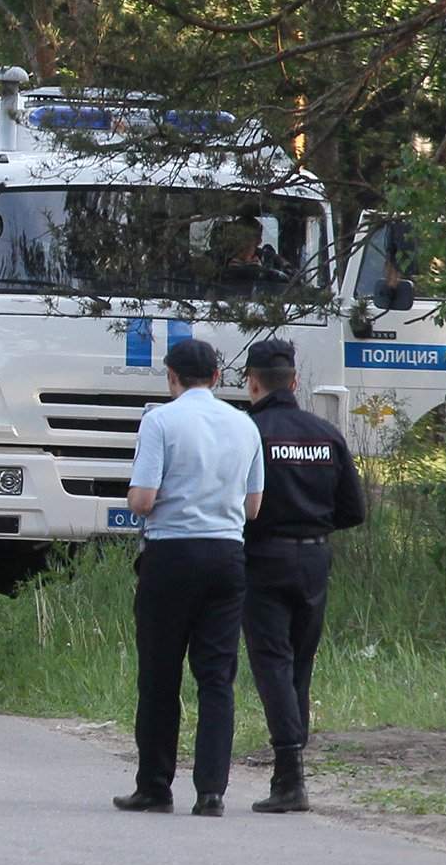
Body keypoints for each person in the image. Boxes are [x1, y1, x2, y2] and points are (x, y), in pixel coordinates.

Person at [113, 338, 263, 817]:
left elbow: (142, 499)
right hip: (226, 556)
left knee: (160, 674)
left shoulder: (160, 420)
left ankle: (155, 785)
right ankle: (212, 791)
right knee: (217, 676)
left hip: (171, 554)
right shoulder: (245, 426)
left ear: (171, 378)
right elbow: (253, 506)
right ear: (218, 378)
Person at [242, 339, 365, 813]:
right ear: (294, 382)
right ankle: (291, 768)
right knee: (300, 661)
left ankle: (290, 773)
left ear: (252, 383)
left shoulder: (248, 433)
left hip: (263, 558)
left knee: (271, 660)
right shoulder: (325, 433)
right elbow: (353, 510)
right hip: (314, 559)